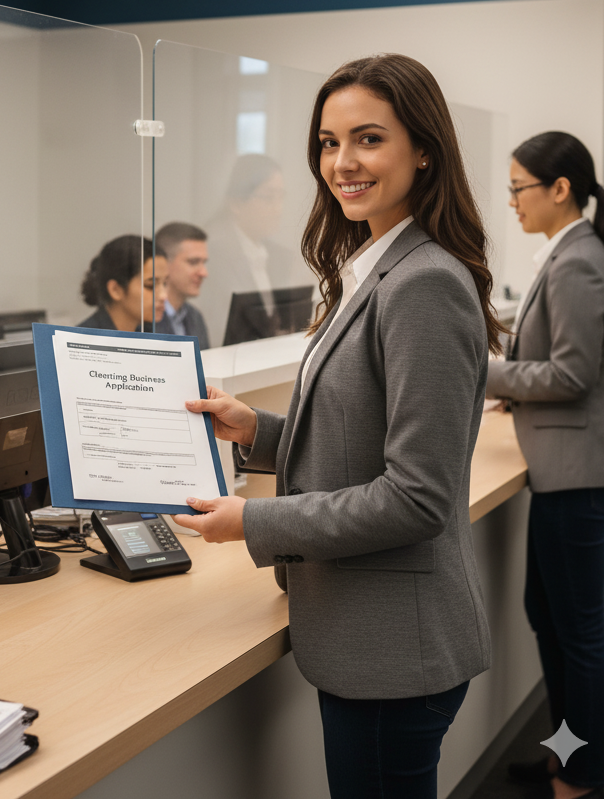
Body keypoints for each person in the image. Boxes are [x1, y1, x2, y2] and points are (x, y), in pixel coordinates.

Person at [175, 55, 500, 799]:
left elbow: (415, 497)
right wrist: (255, 429)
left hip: (393, 651)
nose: (342, 163)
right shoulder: (375, 266)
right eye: (327, 142)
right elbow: (359, 436)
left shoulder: (423, 284)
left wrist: (255, 522)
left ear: (423, 150)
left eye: (367, 139)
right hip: (372, 640)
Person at [486, 132, 604, 799]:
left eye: (518, 188)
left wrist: (486, 374)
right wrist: (512, 388)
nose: (511, 201)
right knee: (550, 613)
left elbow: (571, 373)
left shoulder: (577, 263)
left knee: (578, 633)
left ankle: (584, 773)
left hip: (580, 471)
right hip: (565, 466)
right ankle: (567, 754)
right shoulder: (568, 253)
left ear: (559, 189)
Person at [200, 154, 299, 345]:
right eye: (269, 198)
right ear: (236, 203)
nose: (278, 209)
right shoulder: (213, 257)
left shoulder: (280, 257)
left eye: (281, 197)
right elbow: (215, 329)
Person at [78, 235, 168, 332]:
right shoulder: (84, 340)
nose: (164, 296)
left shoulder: (151, 334)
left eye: (165, 284)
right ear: (115, 290)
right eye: (151, 285)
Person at [156, 222, 210, 349]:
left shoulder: (195, 317)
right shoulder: (143, 319)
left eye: (203, 263)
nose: (204, 273)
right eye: (193, 262)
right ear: (163, 264)